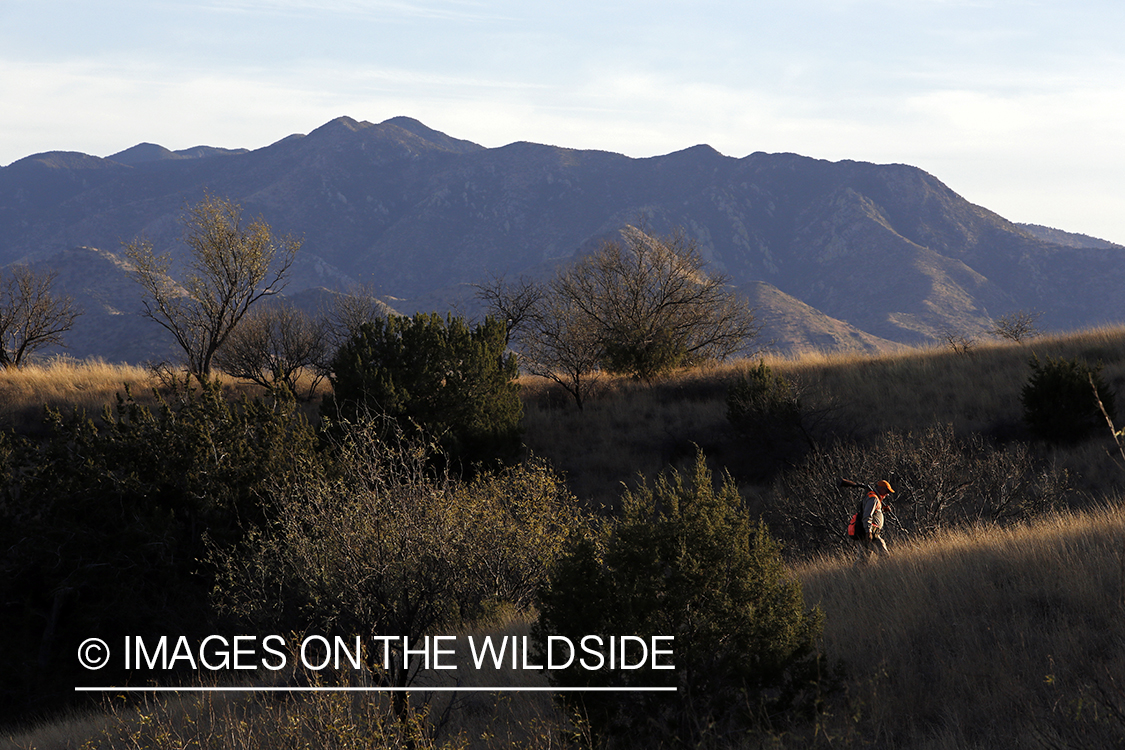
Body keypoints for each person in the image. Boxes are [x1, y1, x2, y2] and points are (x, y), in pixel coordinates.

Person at [855, 479, 894, 562]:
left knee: (863, 559)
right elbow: (867, 515)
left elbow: (874, 513)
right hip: (870, 533)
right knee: (884, 555)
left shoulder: (874, 498)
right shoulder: (873, 499)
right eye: (887, 491)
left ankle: (855, 574)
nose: (887, 494)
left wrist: (882, 510)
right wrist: (868, 531)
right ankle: (882, 572)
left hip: (868, 532)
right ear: (881, 489)